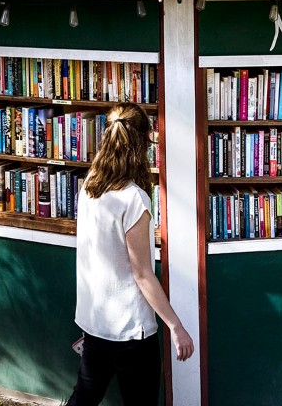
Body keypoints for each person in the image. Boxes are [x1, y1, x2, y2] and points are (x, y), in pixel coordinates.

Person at [66, 103, 194, 406]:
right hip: (131, 330)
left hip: (95, 323)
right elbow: (142, 274)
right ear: (142, 142)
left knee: (83, 398)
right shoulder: (134, 199)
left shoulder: (89, 188)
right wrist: (176, 326)